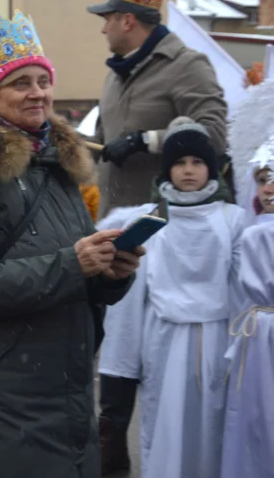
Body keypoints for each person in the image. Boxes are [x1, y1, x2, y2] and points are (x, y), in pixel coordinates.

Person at [0, 12, 141, 478]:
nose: (38, 92)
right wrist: (74, 264)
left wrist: (109, 274)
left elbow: (75, 269)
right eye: (21, 83)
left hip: (63, 382)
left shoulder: (54, 165)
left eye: (43, 80)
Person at [87, 0, 229, 470]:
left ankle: (176, 452)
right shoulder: (115, 70)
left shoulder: (186, 66)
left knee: (162, 357)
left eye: (107, 18)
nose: (101, 27)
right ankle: (110, 454)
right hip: (114, 227)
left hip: (165, 234)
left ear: (128, 19)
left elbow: (212, 132)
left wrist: (148, 140)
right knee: (117, 354)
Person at [98, 118, 243, 477]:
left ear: (212, 168)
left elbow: (243, 290)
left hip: (217, 339)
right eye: (179, 163)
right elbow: (131, 298)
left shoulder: (233, 220)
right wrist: (122, 364)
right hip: (164, 339)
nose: (188, 170)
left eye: (197, 162)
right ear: (167, 170)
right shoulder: (149, 221)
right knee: (164, 426)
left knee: (215, 427)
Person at [222, 132, 274, 478]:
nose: (269, 187)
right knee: (256, 418)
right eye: (262, 179)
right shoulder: (252, 234)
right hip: (256, 341)